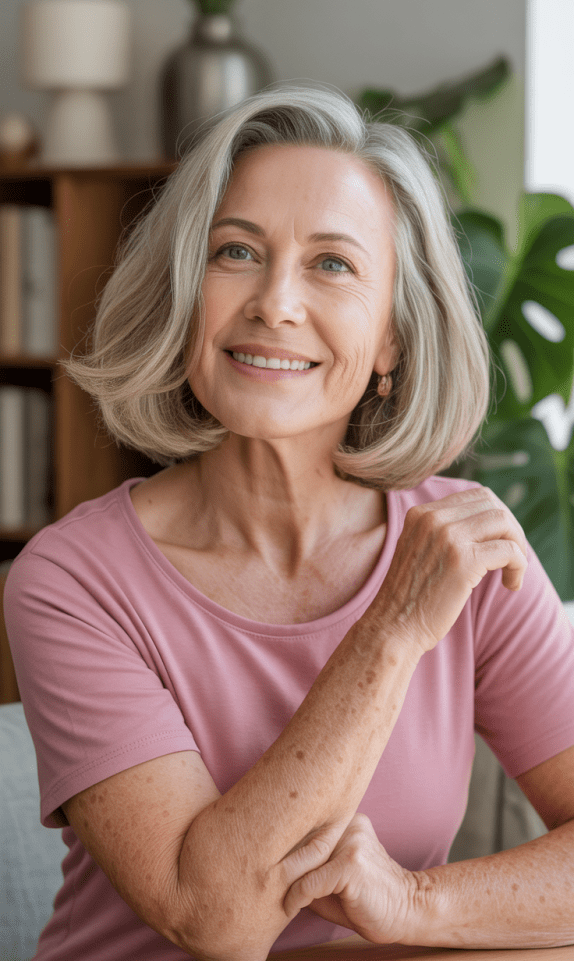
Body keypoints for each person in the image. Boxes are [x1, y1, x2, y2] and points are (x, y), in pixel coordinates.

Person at [5, 84, 574, 961]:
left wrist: (414, 903)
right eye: (236, 252)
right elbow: (214, 920)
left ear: (391, 339)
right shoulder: (73, 578)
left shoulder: (460, 547)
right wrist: (392, 631)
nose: (275, 302)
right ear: (184, 296)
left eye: (333, 264)